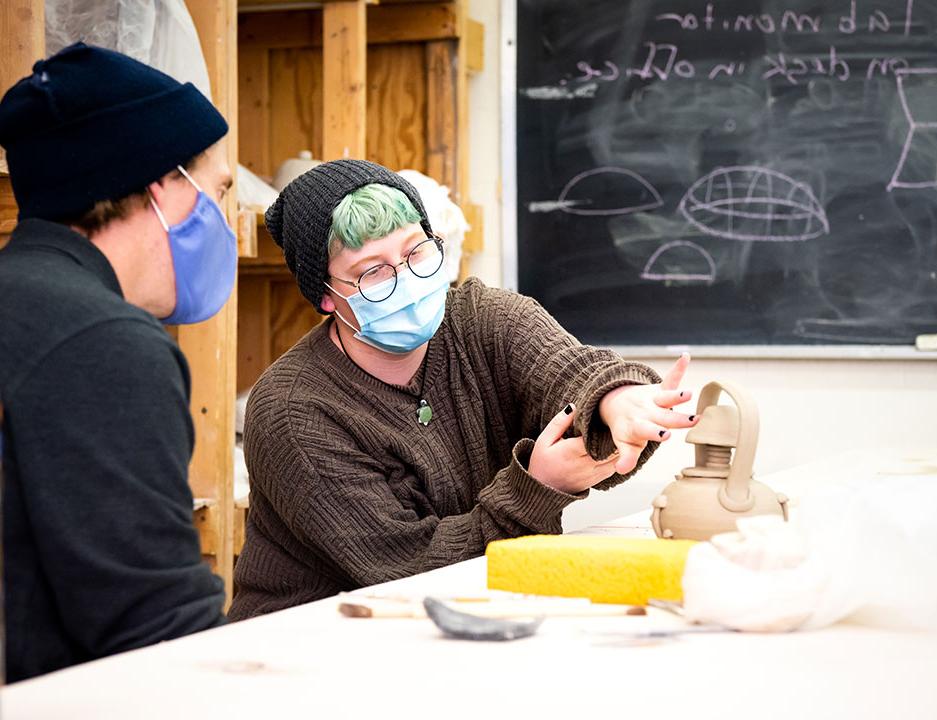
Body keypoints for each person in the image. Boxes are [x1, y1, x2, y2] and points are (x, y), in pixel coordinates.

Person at [229, 160, 698, 620]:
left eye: (416, 252)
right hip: (310, 645)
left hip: (459, 619)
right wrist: (537, 489)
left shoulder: (482, 317)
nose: (406, 280)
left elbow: (569, 370)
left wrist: (617, 402)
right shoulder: (294, 411)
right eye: (373, 272)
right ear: (327, 296)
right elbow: (410, 570)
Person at [0, 43, 236, 682]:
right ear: (161, 185)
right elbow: (159, 636)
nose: (224, 219)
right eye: (216, 190)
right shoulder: (101, 342)